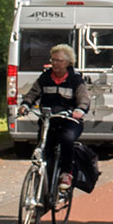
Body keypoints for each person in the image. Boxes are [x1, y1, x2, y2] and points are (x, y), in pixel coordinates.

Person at [18, 44, 90, 192]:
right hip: (49, 120)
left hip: (70, 121)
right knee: (45, 146)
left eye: (59, 60)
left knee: (67, 139)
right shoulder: (45, 78)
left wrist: (79, 110)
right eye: (53, 60)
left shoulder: (75, 80)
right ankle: (43, 182)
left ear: (68, 63)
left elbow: (84, 99)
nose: (55, 63)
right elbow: (33, 94)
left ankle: (66, 173)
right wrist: (25, 105)